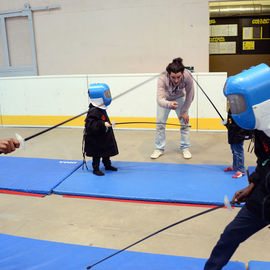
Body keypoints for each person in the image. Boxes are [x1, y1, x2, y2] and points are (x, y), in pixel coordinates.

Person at [204, 63, 270, 270]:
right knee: (230, 235)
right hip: (262, 198)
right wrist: (253, 185)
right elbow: (264, 162)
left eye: (238, 102)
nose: (235, 108)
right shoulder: (261, 130)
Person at [150, 57, 194, 160]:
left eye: (178, 77)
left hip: (180, 98)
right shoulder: (162, 78)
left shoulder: (187, 76)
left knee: (185, 123)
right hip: (166, 100)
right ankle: (159, 149)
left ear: (182, 73)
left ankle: (185, 148)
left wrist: (184, 111)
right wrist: (169, 104)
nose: (176, 80)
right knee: (160, 124)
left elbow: (190, 95)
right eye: (173, 77)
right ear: (168, 74)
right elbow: (159, 99)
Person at [83, 83, 119, 176]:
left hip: (103, 135)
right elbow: (91, 125)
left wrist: (107, 124)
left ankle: (107, 165)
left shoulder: (101, 108)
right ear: (99, 97)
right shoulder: (93, 110)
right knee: (97, 154)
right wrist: (103, 124)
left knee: (106, 151)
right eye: (105, 94)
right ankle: (96, 169)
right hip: (96, 138)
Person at [223, 108, 252, 178]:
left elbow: (240, 122)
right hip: (232, 133)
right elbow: (232, 121)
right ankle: (235, 167)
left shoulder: (240, 107)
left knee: (238, 151)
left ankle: (241, 170)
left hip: (238, 134)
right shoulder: (232, 108)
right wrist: (227, 123)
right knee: (234, 151)